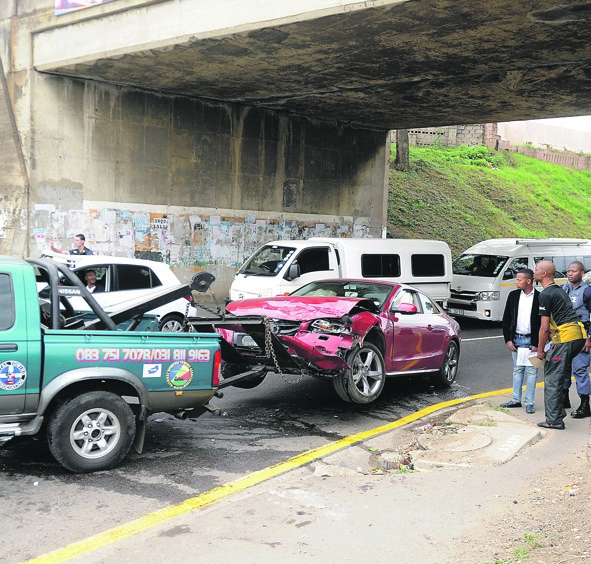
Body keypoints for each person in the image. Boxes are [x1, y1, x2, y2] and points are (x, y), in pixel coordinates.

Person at [533, 260, 587, 430]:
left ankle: (554, 420)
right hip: (578, 336)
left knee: (552, 379)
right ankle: (558, 413)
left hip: (566, 338)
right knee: (557, 372)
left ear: (543, 274)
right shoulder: (559, 290)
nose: (533, 271)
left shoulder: (546, 295)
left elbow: (543, 328)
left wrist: (540, 351)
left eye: (536, 269)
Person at [500, 268, 540, 413]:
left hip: (532, 341)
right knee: (517, 370)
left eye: (519, 280)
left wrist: (538, 343)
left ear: (528, 281)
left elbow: (542, 323)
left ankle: (530, 403)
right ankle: (516, 399)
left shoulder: (539, 297)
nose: (516, 282)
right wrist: (508, 340)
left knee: (532, 372)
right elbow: (506, 319)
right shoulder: (513, 296)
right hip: (516, 339)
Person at [561, 261, 591, 418]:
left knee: (579, 369)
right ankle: (564, 398)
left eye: (574, 271)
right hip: (567, 334)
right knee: (564, 367)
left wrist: (589, 338)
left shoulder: (587, 292)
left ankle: (585, 405)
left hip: (582, 334)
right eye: (568, 271)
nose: (570, 273)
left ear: (582, 273)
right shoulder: (564, 289)